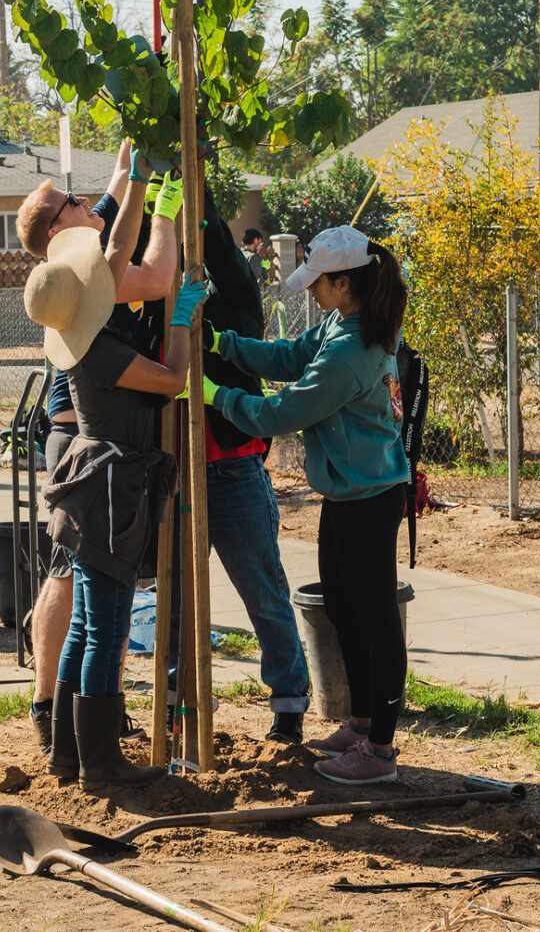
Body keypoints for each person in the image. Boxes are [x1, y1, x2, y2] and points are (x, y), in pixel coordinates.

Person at [201, 225, 411, 786]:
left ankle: (380, 749)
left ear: (344, 282)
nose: (311, 293)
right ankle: (362, 722)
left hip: (370, 497)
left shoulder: (352, 348)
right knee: (343, 607)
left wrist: (215, 395)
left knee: (375, 620)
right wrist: (223, 344)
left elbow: (281, 413)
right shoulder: (341, 325)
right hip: (348, 492)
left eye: (318, 283)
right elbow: (290, 355)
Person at [25, 164, 205, 789]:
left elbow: (119, 246)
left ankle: (68, 754)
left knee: (84, 625)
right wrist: (180, 320)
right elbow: (173, 381)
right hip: (109, 488)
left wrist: (136, 181)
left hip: (90, 485)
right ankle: (101, 764)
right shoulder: (103, 350)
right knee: (106, 630)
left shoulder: (82, 334)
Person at [160, 188, 313, 744]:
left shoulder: (234, 310)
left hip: (234, 472)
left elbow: (227, 263)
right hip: (175, 471)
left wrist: (198, 208)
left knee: (262, 590)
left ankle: (289, 703)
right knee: (174, 599)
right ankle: (174, 699)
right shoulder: (159, 311)